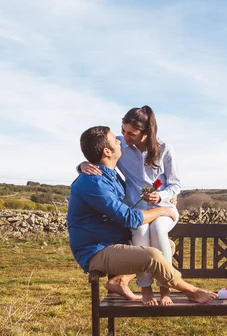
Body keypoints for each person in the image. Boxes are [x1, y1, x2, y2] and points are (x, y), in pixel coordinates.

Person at [67, 125, 216, 304]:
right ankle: (190, 290)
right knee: (153, 256)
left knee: (165, 245)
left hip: (115, 243)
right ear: (107, 151)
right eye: (115, 139)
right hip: (96, 250)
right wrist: (162, 210)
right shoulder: (93, 182)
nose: (120, 140)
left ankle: (120, 280)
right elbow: (129, 218)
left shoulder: (111, 176)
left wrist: (166, 196)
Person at [79, 106, 180, 307]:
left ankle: (166, 288)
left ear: (145, 133)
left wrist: (160, 196)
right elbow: (99, 156)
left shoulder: (164, 148)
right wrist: (82, 165)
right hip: (136, 210)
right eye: (123, 131)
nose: (125, 136)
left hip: (164, 208)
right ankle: (146, 290)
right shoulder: (120, 145)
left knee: (158, 229)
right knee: (141, 232)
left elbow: (175, 184)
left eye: (131, 133)